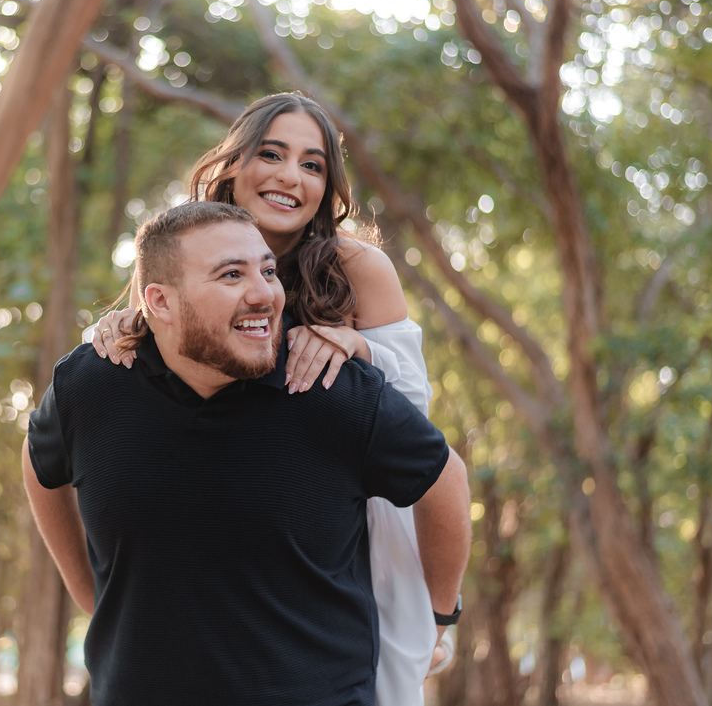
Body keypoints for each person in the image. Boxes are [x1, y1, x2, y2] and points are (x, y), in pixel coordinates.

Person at [25, 202, 470, 706]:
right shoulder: (91, 385)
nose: (264, 294)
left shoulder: (327, 386)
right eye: (231, 275)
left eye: (267, 270)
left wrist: (437, 615)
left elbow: (444, 479)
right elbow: (38, 463)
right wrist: (90, 592)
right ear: (160, 302)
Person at [91, 92, 452, 703]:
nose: (290, 176)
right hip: (223, 501)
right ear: (233, 164)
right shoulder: (183, 243)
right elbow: (151, 330)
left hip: (350, 513)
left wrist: (356, 348)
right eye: (273, 154)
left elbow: (414, 402)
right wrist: (109, 329)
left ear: (327, 186)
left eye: (312, 165)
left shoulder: (356, 266)